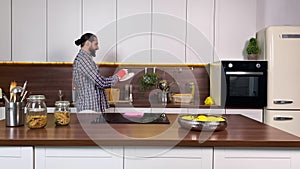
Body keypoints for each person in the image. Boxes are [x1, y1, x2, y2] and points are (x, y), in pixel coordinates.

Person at [73, 33, 127, 112]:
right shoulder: (83, 60)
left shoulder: (86, 59)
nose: (97, 48)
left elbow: (97, 84)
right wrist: (119, 76)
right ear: (88, 43)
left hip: (92, 108)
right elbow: (101, 83)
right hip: (89, 109)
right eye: (96, 44)